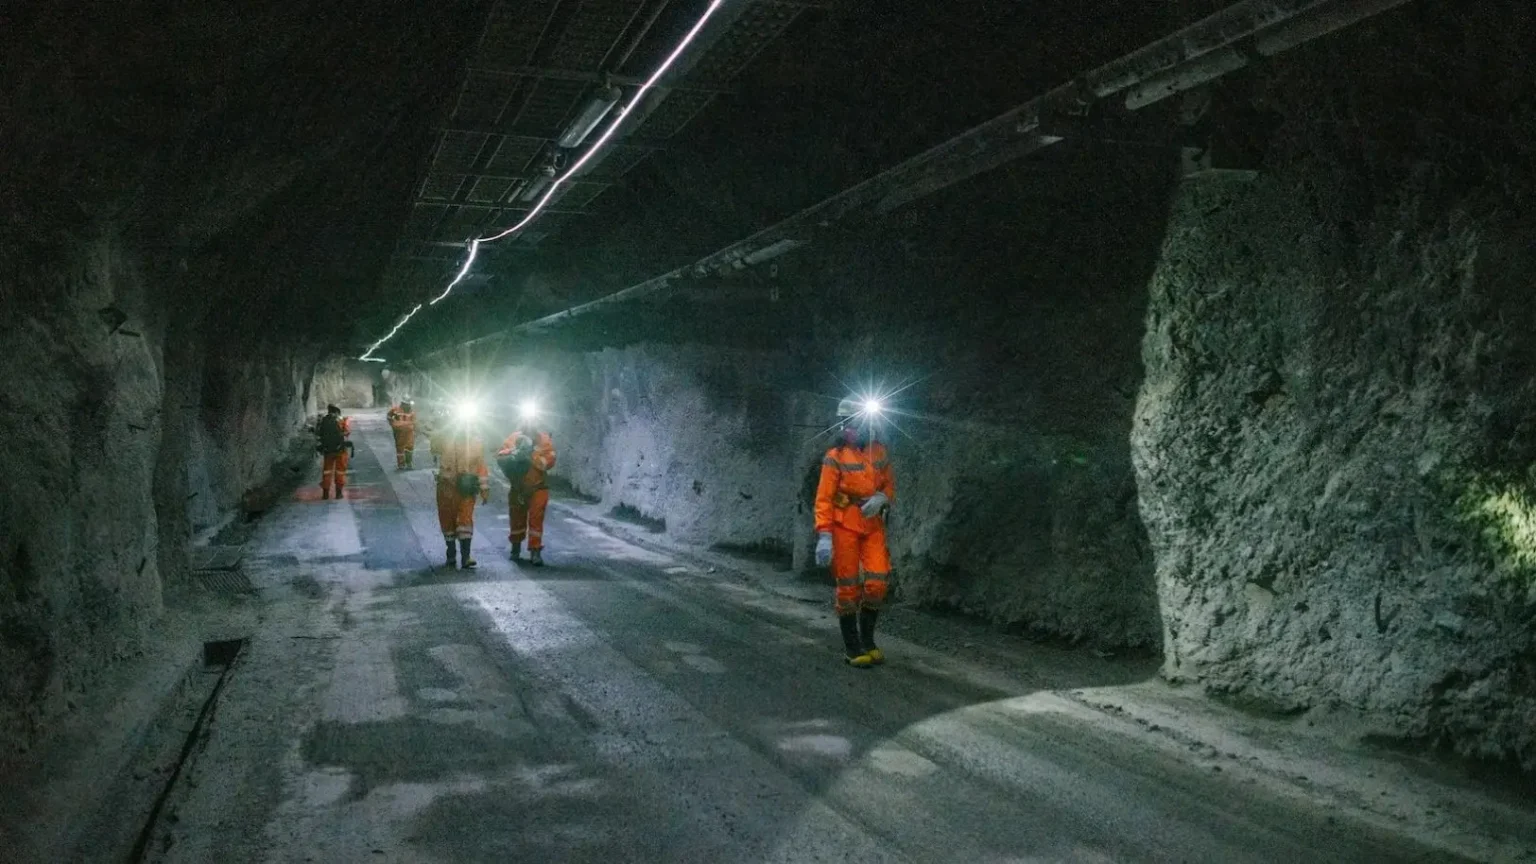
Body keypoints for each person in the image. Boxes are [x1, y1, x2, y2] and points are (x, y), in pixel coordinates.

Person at [813, 398, 895, 668]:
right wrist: (824, 535)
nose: (858, 426)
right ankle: (852, 647)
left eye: (862, 420)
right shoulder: (835, 457)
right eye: (853, 421)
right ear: (844, 424)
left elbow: (888, 484)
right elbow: (824, 499)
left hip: (872, 523)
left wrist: (882, 497)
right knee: (847, 587)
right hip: (844, 523)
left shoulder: (878, 451)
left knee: (877, 582)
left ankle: (867, 640)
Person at [496, 411, 557, 566]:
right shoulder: (513, 438)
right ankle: (515, 549)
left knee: (536, 520)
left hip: (538, 487)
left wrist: (531, 457)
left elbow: (549, 460)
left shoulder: (544, 440)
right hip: (518, 487)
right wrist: (514, 454)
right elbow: (501, 455)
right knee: (516, 518)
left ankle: (535, 551)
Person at [436, 417, 490, 569]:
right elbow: (433, 443)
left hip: (466, 488)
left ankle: (466, 557)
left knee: (465, 520)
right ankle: (451, 554)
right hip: (446, 488)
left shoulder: (476, 444)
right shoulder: (445, 439)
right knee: (448, 521)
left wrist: (484, 488)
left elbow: (481, 467)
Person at [316, 404, 355, 500]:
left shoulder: (324, 420)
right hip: (340, 450)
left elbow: (318, 433)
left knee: (327, 472)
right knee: (340, 472)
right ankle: (338, 493)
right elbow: (347, 432)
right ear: (337, 411)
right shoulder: (341, 419)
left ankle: (325, 493)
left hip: (328, 450)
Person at [387, 398, 417, 470]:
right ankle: (401, 464)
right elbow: (389, 416)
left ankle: (408, 463)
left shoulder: (412, 411)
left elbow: (415, 421)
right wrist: (393, 424)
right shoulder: (396, 409)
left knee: (409, 448)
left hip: (409, 432)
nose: (408, 406)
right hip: (399, 432)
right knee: (400, 448)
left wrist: (415, 430)